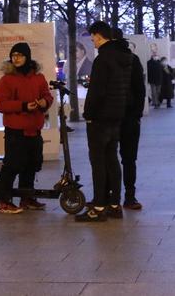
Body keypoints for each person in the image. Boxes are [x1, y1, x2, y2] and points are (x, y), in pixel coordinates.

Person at [75, 21, 130, 222]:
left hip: (100, 118)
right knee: (112, 160)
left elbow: (97, 91)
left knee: (98, 162)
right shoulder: (125, 57)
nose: (93, 43)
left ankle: (98, 206)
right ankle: (115, 204)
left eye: (93, 39)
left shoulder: (102, 59)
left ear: (99, 36)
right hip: (116, 115)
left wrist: (88, 113)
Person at [0, 42, 53, 214]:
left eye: (19, 55)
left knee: (31, 165)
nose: (16, 58)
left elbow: (47, 96)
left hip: (34, 129)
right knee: (12, 165)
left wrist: (44, 102)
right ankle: (3, 200)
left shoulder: (38, 78)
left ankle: (26, 197)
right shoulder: (7, 79)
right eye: (13, 55)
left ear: (27, 57)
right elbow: (1, 104)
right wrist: (24, 106)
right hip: (15, 130)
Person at [114, 28, 147, 211]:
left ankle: (115, 196)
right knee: (128, 159)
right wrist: (137, 114)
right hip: (129, 117)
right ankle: (129, 196)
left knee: (116, 158)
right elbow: (140, 89)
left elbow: (139, 89)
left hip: (118, 116)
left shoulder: (127, 60)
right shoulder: (132, 59)